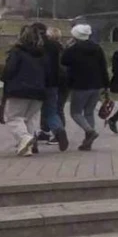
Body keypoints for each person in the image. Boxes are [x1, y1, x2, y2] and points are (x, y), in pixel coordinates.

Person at [61, 24, 108, 150]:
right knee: (89, 112)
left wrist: (66, 47)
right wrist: (106, 84)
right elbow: (103, 66)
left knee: (75, 112)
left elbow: (64, 61)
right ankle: (88, 142)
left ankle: (89, 131)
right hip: (96, 84)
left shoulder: (72, 50)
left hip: (80, 85)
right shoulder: (97, 48)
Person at [3, 25, 46, 156]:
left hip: (19, 90)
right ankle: (27, 148)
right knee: (29, 118)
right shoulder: (41, 54)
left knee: (13, 117)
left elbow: (9, 71)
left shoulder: (17, 52)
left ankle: (24, 138)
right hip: (39, 91)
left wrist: (4, 77)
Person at [40, 26, 69, 151]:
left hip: (53, 81)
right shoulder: (62, 48)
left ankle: (53, 133)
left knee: (55, 108)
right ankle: (56, 130)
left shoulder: (47, 48)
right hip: (60, 81)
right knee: (52, 109)